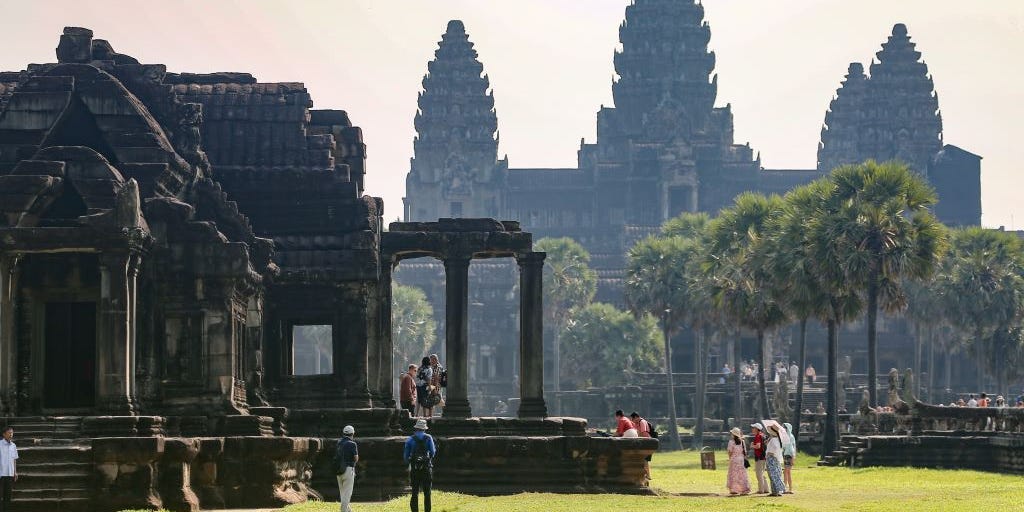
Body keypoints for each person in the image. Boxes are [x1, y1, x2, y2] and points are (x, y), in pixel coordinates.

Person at [404, 419, 437, 512]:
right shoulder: (428, 438)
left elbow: (406, 457)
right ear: (424, 429)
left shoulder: (410, 439)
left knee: (414, 492)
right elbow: (433, 452)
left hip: (415, 468)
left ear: (416, 428)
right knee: (427, 493)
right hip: (426, 468)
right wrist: (427, 459)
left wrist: (410, 462)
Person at [335, 425, 358, 512]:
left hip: (338, 469)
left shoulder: (339, 442)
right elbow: (356, 458)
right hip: (348, 469)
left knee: (342, 492)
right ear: (352, 433)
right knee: (347, 493)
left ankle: (348, 510)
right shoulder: (352, 444)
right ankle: (344, 510)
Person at [726, 427, 750, 495]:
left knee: (734, 474)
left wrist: (730, 458)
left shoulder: (731, 442)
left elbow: (730, 452)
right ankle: (744, 489)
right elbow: (744, 451)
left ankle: (734, 489)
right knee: (742, 474)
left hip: (734, 459)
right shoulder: (742, 442)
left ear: (733, 434)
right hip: (741, 460)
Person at [765, 424, 787, 496]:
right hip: (775, 459)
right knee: (774, 474)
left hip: (771, 458)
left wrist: (769, 454)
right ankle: (775, 491)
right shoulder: (777, 439)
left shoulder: (773, 439)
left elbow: (773, 449)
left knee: (773, 475)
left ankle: (778, 489)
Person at [629, 412, 652, 482]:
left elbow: (644, 434)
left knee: (645, 460)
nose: (632, 421)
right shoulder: (637, 423)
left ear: (636, 417)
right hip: (644, 443)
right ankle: (646, 475)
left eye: (633, 419)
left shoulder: (642, 422)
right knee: (643, 459)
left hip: (647, 442)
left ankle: (648, 475)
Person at [0, 427, 16, 512]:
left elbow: (14, 459)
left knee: (8, 496)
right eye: (9, 433)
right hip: (1, 474)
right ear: (4, 434)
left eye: (12, 433)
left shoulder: (13, 445)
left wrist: (15, 472)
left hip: (10, 474)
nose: (11, 435)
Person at [750, 423, 768, 494]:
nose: (752, 429)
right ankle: (766, 488)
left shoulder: (758, 436)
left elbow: (758, 446)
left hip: (759, 457)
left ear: (757, 429)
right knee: (762, 473)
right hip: (764, 457)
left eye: (753, 428)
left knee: (758, 474)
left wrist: (752, 446)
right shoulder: (763, 435)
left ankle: (761, 490)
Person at [782, 422, 796, 494]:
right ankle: (786, 488)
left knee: (787, 472)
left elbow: (793, 447)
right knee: (786, 472)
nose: (783, 428)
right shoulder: (785, 436)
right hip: (785, 455)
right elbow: (784, 447)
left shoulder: (790, 436)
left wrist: (793, 457)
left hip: (789, 455)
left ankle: (789, 489)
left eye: (784, 427)